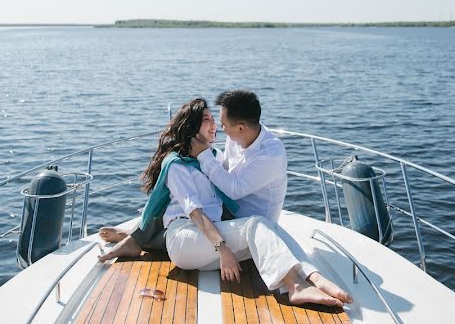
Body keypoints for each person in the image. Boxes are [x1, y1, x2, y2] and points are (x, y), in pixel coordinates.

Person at [99, 90, 351, 304]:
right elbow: (194, 212)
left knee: (269, 230)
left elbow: (226, 188)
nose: (216, 126)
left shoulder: (222, 156)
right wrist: (223, 250)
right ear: (192, 130)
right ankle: (295, 286)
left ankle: (313, 277)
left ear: (240, 127)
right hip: (187, 239)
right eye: (207, 120)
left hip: (211, 234)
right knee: (258, 226)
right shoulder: (178, 166)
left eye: (217, 120)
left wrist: (205, 156)